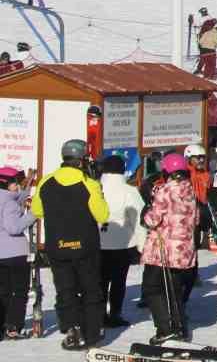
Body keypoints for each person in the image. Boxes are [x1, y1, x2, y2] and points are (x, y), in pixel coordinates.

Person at [32, 139, 109, 350]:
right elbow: (102, 214)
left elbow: (37, 211)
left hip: (57, 245)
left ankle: (71, 326)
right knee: (90, 289)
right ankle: (91, 333)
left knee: (65, 289)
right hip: (85, 245)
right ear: (82, 160)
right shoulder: (89, 183)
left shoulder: (46, 181)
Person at [140, 153, 200, 343]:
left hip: (163, 250)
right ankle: (180, 326)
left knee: (152, 288)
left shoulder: (165, 190)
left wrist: (146, 213)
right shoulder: (190, 190)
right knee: (173, 289)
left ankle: (165, 328)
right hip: (183, 249)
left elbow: (152, 219)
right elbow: (196, 219)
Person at [96, 154, 145, 329]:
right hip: (123, 244)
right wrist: (142, 243)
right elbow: (139, 218)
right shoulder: (130, 191)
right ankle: (115, 314)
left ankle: (99, 314)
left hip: (98, 242)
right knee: (118, 281)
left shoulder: (96, 188)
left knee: (100, 280)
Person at [0, 167, 37, 339]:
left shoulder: (6, 198)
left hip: (1, 255)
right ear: (7, 184)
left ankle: (3, 325)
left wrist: (28, 184)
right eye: (15, 182)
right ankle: (14, 326)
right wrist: (33, 215)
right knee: (19, 291)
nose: (17, 185)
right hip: (15, 253)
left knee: (4, 291)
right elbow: (13, 227)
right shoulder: (9, 203)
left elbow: (18, 199)